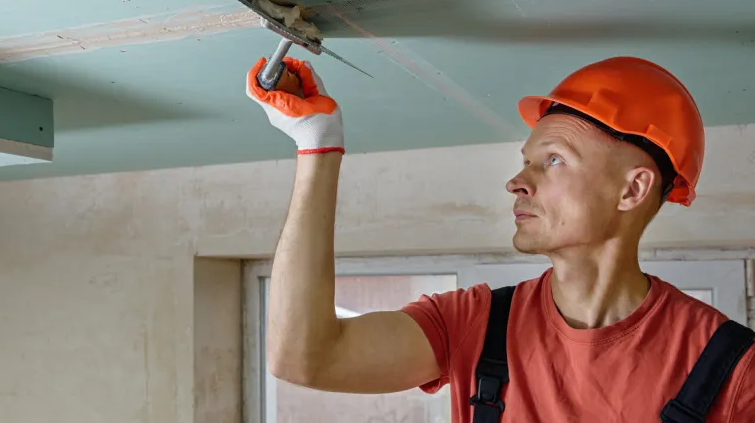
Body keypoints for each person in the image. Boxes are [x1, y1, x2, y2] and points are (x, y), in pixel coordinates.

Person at [245, 54, 755, 422]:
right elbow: (303, 357)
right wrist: (318, 145)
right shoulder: (474, 324)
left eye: (553, 159)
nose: (517, 182)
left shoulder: (732, 367)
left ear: (633, 189)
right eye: (526, 161)